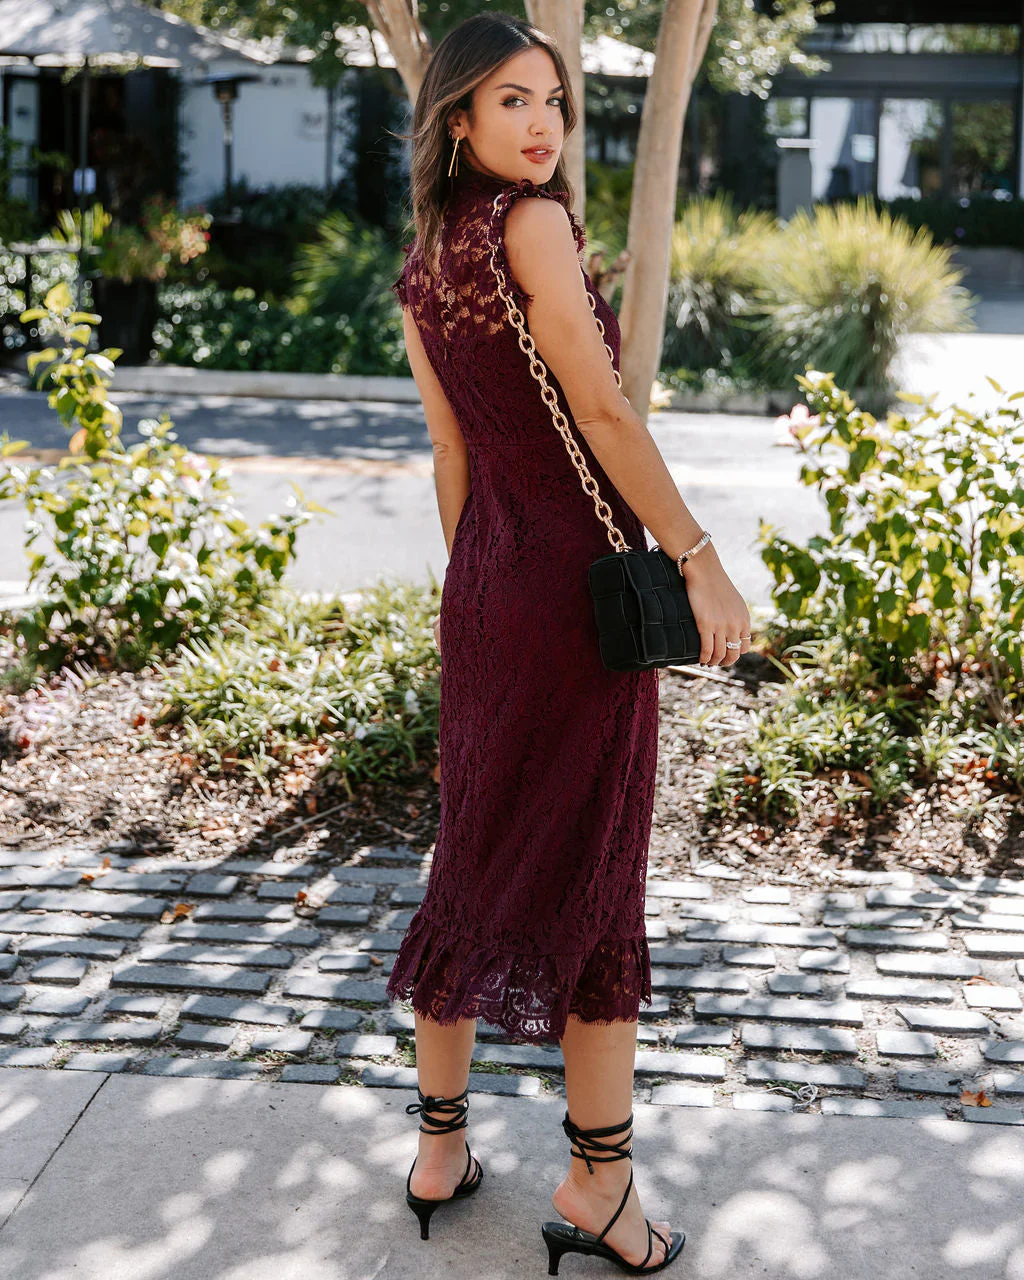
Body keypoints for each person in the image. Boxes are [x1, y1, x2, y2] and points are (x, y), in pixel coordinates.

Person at [385, 12, 751, 1274]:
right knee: (594, 878)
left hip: (486, 589)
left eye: (552, 99)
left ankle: (439, 1148)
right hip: (575, 596)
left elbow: (450, 452)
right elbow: (599, 407)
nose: (542, 122)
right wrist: (696, 555)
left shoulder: (424, 261)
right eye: (511, 100)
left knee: (471, 857)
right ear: (457, 120)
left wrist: (478, 596)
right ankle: (599, 1181)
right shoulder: (531, 225)